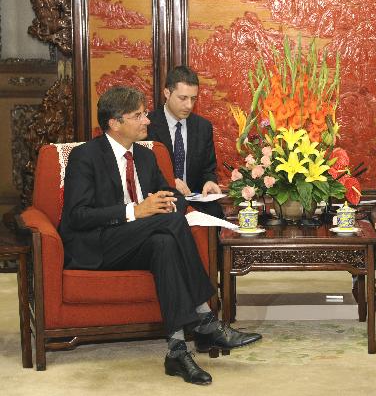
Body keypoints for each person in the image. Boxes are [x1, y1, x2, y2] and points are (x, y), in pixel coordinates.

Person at [58, 86, 261, 385]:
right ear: (115, 122)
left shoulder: (145, 156)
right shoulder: (85, 156)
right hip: (100, 244)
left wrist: (169, 202)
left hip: (144, 239)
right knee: (172, 226)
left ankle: (177, 351)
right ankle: (206, 320)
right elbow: (76, 216)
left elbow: (172, 198)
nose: (147, 120)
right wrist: (134, 211)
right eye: (138, 115)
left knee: (165, 241)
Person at [146, 65, 224, 218]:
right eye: (183, 98)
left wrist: (209, 182)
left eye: (193, 99)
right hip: (162, 201)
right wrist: (170, 181)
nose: (189, 105)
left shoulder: (203, 127)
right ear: (167, 93)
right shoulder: (147, 126)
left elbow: (208, 169)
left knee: (216, 213)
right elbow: (143, 171)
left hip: (195, 201)